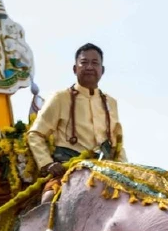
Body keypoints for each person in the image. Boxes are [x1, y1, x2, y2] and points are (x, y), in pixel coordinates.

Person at [27, 43, 125, 175]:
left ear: (102, 70)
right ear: (74, 69)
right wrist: (47, 163)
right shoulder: (60, 98)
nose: (89, 67)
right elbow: (35, 134)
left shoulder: (110, 102)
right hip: (68, 169)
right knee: (49, 196)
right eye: (84, 62)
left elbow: (117, 145)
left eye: (95, 63)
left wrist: (126, 170)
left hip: (106, 170)